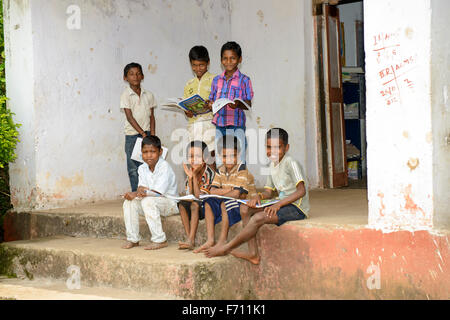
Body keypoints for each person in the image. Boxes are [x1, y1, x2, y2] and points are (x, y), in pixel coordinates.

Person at [204, 128, 310, 264]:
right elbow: (268, 192)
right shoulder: (272, 165)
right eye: (269, 147)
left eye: (278, 147)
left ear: (287, 147)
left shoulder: (291, 163)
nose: (272, 151)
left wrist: (278, 204)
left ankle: (226, 247)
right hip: (281, 202)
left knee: (259, 217)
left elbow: (301, 191)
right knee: (245, 208)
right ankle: (253, 253)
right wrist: (258, 197)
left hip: (296, 207)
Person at [194, 135, 256, 253]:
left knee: (224, 203)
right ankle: (210, 240)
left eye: (232, 156)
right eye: (225, 156)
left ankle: (222, 240)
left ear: (238, 154)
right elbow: (212, 191)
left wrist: (226, 192)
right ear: (220, 156)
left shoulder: (241, 169)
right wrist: (231, 189)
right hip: (231, 201)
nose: (228, 159)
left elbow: (237, 195)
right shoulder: (220, 170)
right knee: (208, 202)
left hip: (245, 205)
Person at [121, 135, 178, 250]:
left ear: (160, 152)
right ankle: (133, 239)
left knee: (148, 201)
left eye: (153, 151)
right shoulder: (142, 168)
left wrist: (138, 193)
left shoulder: (164, 167)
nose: (149, 155)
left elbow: (158, 192)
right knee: (129, 203)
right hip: (152, 203)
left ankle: (160, 240)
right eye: (145, 152)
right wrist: (135, 194)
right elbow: (141, 189)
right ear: (141, 153)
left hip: (169, 204)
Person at [207, 41, 254, 165]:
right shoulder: (216, 80)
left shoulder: (244, 80)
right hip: (219, 124)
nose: (228, 62)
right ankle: (221, 182)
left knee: (239, 155)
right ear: (221, 60)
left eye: (232, 58)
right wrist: (209, 104)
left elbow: (248, 103)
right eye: (225, 58)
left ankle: (240, 181)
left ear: (239, 59)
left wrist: (238, 104)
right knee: (219, 156)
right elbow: (211, 98)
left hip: (236, 124)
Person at [120, 62, 157, 192]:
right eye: (131, 74)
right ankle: (137, 194)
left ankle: (149, 193)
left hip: (147, 134)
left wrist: (152, 135)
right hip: (133, 136)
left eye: (138, 73)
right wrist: (142, 133)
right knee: (133, 168)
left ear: (142, 76)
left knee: (148, 164)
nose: (135, 77)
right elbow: (130, 117)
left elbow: (152, 117)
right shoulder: (126, 95)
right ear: (125, 78)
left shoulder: (149, 95)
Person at [178, 140, 215, 250]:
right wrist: (190, 178)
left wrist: (193, 177)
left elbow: (199, 197)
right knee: (181, 205)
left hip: (207, 207)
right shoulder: (191, 172)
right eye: (191, 156)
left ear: (206, 158)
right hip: (196, 203)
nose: (194, 160)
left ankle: (190, 239)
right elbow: (190, 195)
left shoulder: (209, 173)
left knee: (194, 205)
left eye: (198, 156)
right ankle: (190, 238)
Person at [183, 46, 216, 169]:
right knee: (195, 157)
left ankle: (212, 185)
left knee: (209, 156)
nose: (198, 68)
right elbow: (186, 108)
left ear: (208, 62)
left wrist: (211, 105)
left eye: (201, 65)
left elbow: (219, 103)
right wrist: (188, 112)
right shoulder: (189, 84)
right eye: (194, 65)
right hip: (193, 125)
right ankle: (197, 187)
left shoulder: (215, 80)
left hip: (209, 123)